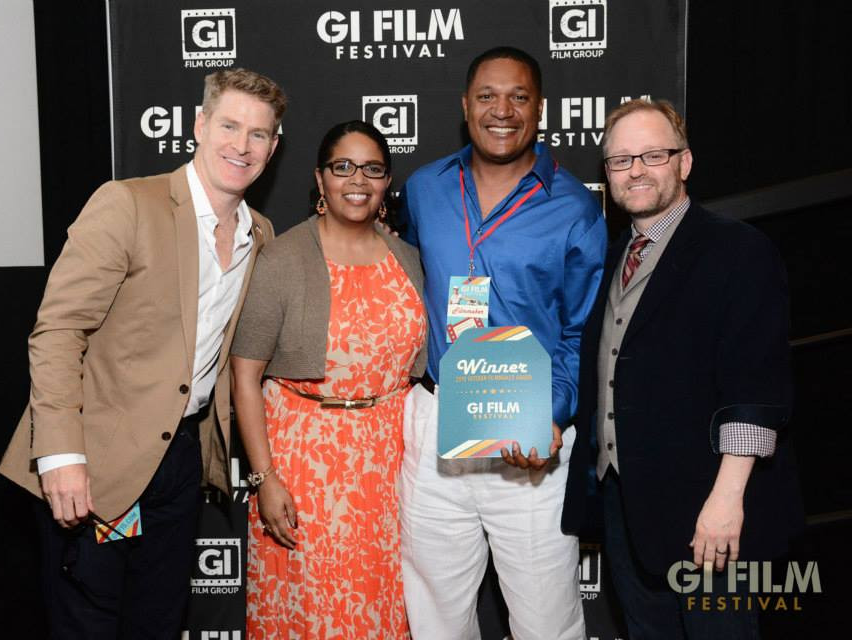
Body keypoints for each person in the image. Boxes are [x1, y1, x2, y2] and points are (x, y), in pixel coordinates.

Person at [0, 68, 286, 637]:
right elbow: (58, 330)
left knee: (158, 624)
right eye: (229, 126)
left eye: (258, 134)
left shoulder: (261, 235)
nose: (242, 145)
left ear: (273, 148)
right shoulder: (127, 204)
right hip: (94, 458)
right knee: (87, 625)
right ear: (200, 126)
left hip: (180, 462)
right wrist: (60, 455)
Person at [562, 99, 804, 639]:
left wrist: (726, 500)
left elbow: (756, 386)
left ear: (684, 162)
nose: (636, 170)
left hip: (709, 510)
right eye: (621, 160)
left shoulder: (737, 250)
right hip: (628, 507)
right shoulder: (616, 256)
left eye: (653, 155)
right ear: (607, 173)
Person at [399, 47, 607, 639]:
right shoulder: (425, 188)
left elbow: (581, 330)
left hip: (530, 433)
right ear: (465, 105)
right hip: (439, 426)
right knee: (435, 618)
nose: (502, 110)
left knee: (547, 622)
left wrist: (553, 415)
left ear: (539, 109)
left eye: (519, 97)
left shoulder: (574, 207)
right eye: (487, 96)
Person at [231, 120, 427, 639]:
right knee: (312, 609)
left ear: (387, 182)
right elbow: (244, 375)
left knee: (385, 604)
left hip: (392, 466)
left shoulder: (408, 259)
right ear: (320, 179)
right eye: (343, 167)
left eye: (372, 169)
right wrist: (264, 478)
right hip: (305, 466)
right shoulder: (282, 259)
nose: (357, 180)